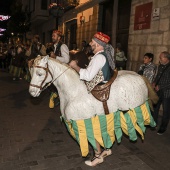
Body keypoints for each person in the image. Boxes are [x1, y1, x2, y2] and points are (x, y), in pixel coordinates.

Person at [69, 32, 115, 166]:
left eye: (92, 41)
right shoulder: (99, 56)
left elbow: (88, 76)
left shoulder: (99, 58)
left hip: (97, 92)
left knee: (88, 124)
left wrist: (75, 66)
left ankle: (98, 156)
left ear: (99, 44)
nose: (90, 43)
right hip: (97, 88)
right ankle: (106, 149)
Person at [48, 30, 69, 108]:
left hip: (62, 72)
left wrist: (55, 57)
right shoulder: (55, 46)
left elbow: (67, 59)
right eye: (52, 35)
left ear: (59, 37)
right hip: (57, 71)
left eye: (54, 36)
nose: (52, 37)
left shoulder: (63, 46)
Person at [152, 51, 170, 135]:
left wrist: (161, 86)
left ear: (166, 58)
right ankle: (154, 123)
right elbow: (157, 76)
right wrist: (154, 83)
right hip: (158, 91)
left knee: (166, 111)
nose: (159, 59)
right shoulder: (160, 66)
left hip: (167, 93)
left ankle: (163, 128)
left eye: (161, 57)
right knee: (155, 107)